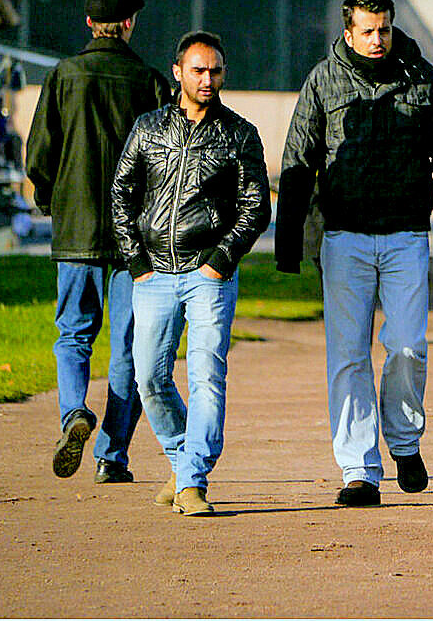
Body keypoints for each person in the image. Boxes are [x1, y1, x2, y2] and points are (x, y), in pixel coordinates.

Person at [275, 0, 433, 507]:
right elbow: (299, 158)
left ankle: (404, 442)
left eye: (383, 28)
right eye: (367, 30)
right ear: (348, 32)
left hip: (407, 234)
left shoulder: (422, 78)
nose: (377, 38)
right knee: (348, 355)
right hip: (343, 237)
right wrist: (288, 242)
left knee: (408, 346)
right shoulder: (323, 79)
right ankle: (359, 469)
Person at [111, 30, 270, 516]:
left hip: (209, 275)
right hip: (153, 273)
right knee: (149, 378)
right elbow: (121, 194)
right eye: (198, 69)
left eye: (216, 70)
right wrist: (136, 262)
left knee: (206, 375)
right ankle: (182, 462)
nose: (207, 78)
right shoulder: (148, 128)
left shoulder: (239, 133)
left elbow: (255, 206)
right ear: (177, 71)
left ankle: (193, 480)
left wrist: (221, 260)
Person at [26, 0, 169, 482]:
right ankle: (112, 456)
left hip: (77, 226)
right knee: (130, 346)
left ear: (89, 23)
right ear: (129, 23)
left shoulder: (64, 75)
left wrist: (50, 199)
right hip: (137, 236)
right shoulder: (149, 80)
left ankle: (73, 413)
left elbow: (40, 153)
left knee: (73, 334)